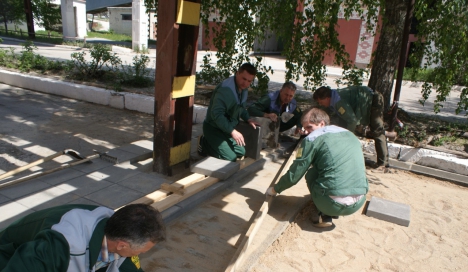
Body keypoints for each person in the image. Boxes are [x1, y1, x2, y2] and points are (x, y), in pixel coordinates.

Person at [266, 108, 369, 227]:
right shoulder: (350, 135)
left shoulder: (312, 139)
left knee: (312, 174)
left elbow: (295, 175)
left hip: (331, 204)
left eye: (309, 127)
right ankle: (331, 206)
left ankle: (325, 213)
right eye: (305, 128)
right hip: (359, 201)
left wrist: (275, 189)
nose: (307, 132)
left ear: (322, 124)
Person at [0, 204, 166, 272]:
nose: (141, 254)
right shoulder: (59, 244)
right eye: (142, 251)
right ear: (122, 245)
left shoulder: (116, 230)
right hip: (7, 258)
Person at [312, 86, 397, 172]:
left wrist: (349, 137)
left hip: (374, 100)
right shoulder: (334, 99)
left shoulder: (338, 101)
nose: (320, 104)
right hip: (369, 98)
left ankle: (383, 164)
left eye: (321, 102)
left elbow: (352, 120)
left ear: (327, 98)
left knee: (377, 131)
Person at [198, 63, 260, 162]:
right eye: (244, 79)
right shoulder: (226, 90)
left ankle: (216, 145)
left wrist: (248, 118)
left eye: (249, 81)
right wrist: (233, 131)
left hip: (226, 129)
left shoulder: (243, 89)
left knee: (241, 152)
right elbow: (216, 115)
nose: (246, 83)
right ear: (237, 73)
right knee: (230, 158)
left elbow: (241, 108)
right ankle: (204, 143)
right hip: (213, 128)